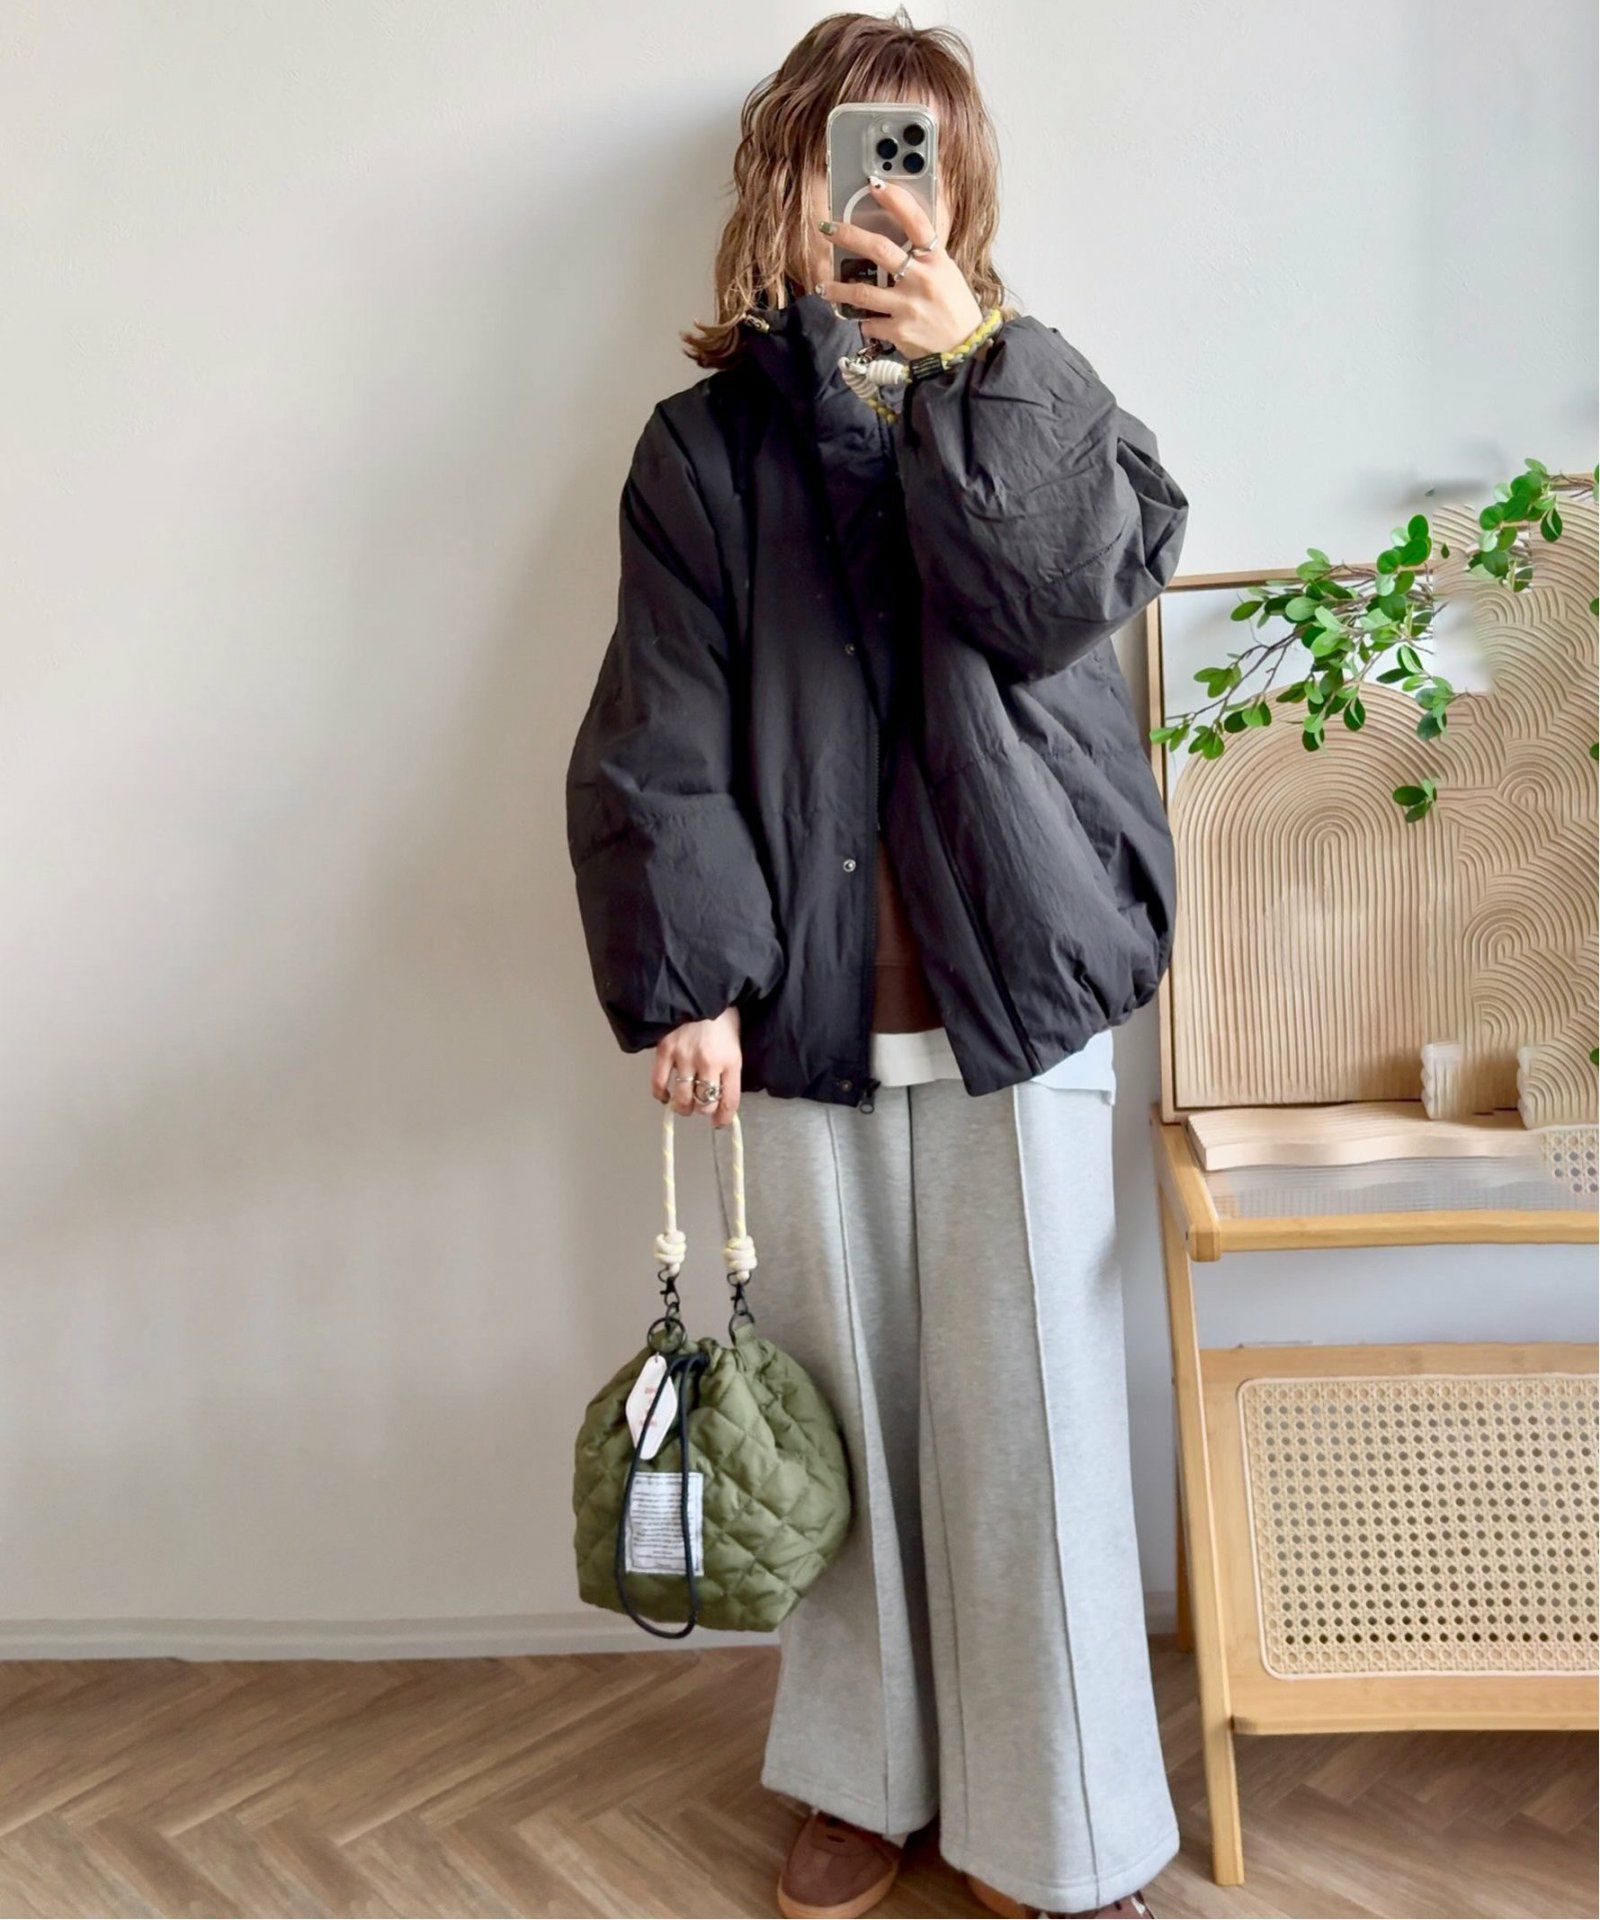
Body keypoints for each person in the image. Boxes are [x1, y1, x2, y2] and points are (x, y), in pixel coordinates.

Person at [566, 12, 1187, 1917]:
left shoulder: (1035, 394)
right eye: (855, 159)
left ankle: (1061, 1817)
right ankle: (863, 1776)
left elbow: (1064, 592)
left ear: (962, 192)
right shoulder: (703, 454)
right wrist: (690, 975)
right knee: (832, 1433)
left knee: (1035, 1437)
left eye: (921, 163)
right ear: (790, 180)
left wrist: (972, 370)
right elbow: (663, 729)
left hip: (1020, 984)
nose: (885, 198)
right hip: (811, 1008)